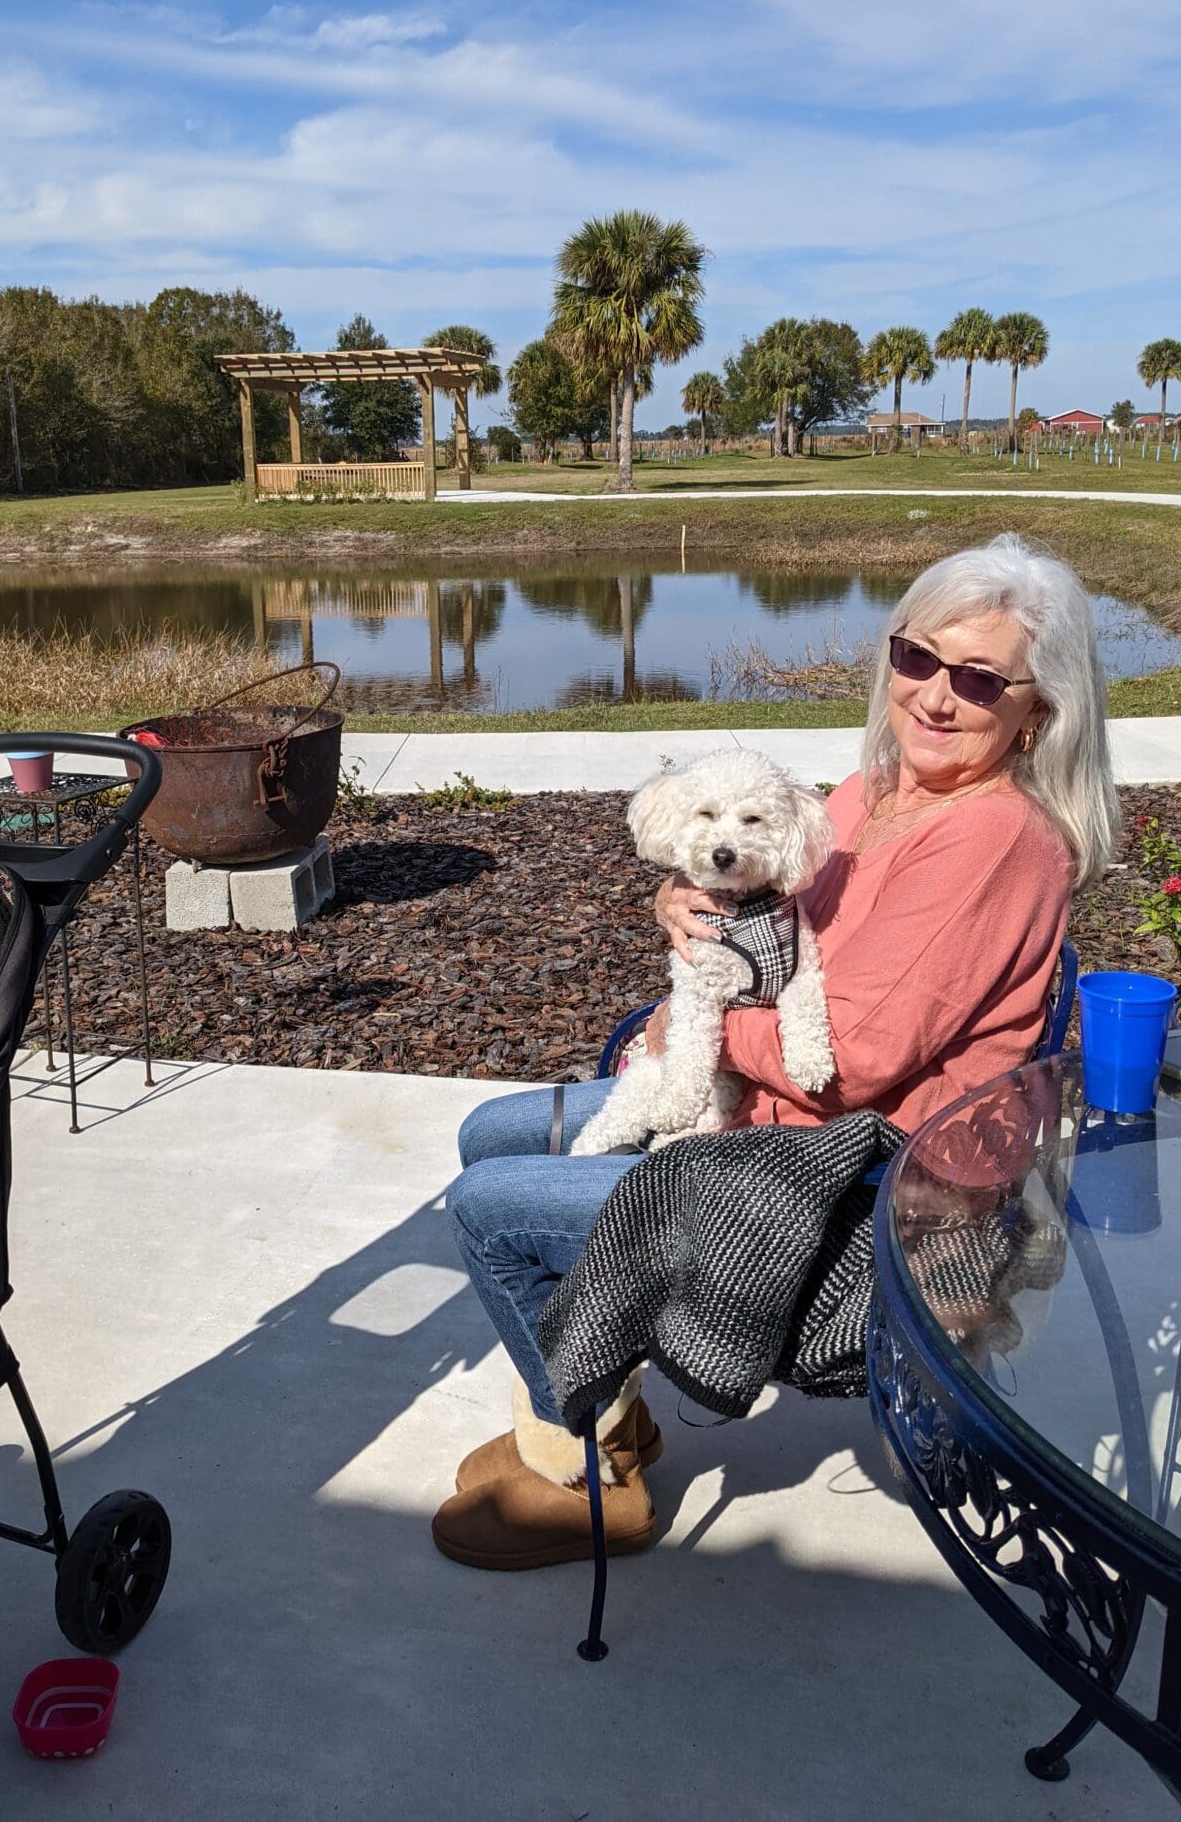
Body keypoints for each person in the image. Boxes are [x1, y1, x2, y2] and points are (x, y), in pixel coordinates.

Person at [432, 532, 1119, 1572]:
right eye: (917, 657)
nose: (936, 695)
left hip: (857, 1179)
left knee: (490, 1210)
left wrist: (691, 1030)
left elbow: (856, 1059)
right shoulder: (872, 793)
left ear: (1039, 710)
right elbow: (758, 888)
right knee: (490, 1132)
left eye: (979, 678)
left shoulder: (998, 838)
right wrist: (686, 897)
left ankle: (586, 1469)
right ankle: (608, 1417)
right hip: (765, 1111)